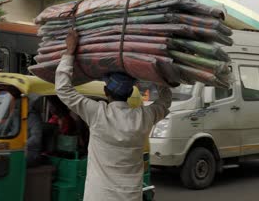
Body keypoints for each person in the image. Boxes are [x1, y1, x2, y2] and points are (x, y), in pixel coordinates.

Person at [55, 29, 173, 201]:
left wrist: (69, 52)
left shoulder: (97, 114)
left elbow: (63, 90)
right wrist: (156, 74)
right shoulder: (142, 118)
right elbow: (165, 101)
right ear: (131, 91)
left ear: (105, 91)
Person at [26, 95, 44, 167]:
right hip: (18, 151)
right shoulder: (16, 116)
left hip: (31, 152)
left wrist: (21, 144)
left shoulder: (33, 118)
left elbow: (36, 138)